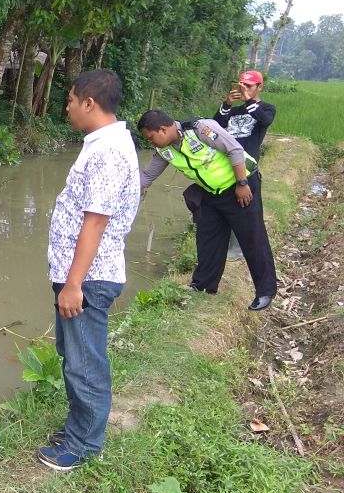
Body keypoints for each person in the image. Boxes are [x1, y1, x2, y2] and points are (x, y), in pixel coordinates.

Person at [37, 69, 140, 472]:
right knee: (73, 354)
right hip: (79, 273)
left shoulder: (107, 152)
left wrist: (74, 284)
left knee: (85, 362)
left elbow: (95, 222)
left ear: (89, 104)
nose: (66, 108)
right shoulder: (103, 143)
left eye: (69, 100)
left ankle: (84, 444)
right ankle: (78, 427)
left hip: (88, 278)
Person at [137, 110, 276, 312]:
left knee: (252, 238)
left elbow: (235, 150)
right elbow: (148, 175)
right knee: (207, 237)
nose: (152, 143)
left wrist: (242, 183)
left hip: (240, 186)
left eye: (151, 137)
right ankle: (203, 285)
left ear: (164, 129)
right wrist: (128, 192)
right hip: (211, 192)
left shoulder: (200, 129)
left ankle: (265, 291)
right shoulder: (164, 150)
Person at [213, 70, 276, 161]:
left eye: (248, 86)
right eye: (242, 85)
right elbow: (216, 126)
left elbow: (265, 120)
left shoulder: (267, 108)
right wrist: (227, 104)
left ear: (259, 87)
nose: (244, 89)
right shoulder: (233, 111)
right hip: (226, 160)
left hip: (247, 163)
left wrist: (248, 99)